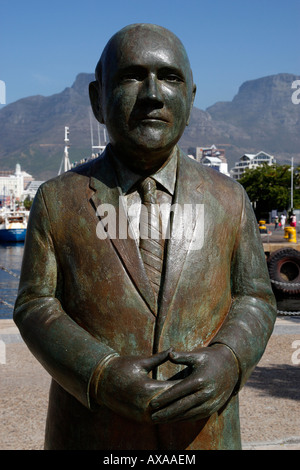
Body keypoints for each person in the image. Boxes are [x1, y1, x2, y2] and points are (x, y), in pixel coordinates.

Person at [14, 23, 277, 450]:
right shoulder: (55, 200)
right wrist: (99, 372)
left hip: (204, 434)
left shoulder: (230, 198)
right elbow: (33, 304)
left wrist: (230, 358)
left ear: (190, 99)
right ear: (97, 100)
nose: (153, 93)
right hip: (92, 433)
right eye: (131, 76)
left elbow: (256, 297)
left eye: (170, 77)